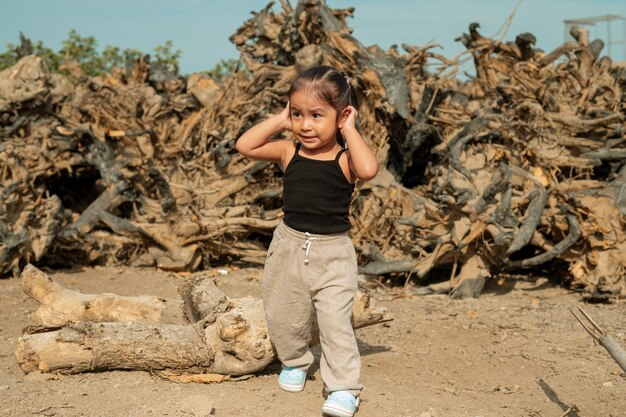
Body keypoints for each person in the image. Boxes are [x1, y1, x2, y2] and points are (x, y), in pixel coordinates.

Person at [235, 65, 378, 417]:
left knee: (334, 321)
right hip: (288, 245)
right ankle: (296, 361)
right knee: (284, 312)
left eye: (316, 115)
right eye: (298, 114)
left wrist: (351, 129)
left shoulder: (345, 159)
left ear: (341, 115)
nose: (306, 124)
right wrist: (281, 119)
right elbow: (245, 145)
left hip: (333, 253)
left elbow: (370, 170)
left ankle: (343, 387)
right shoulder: (289, 151)